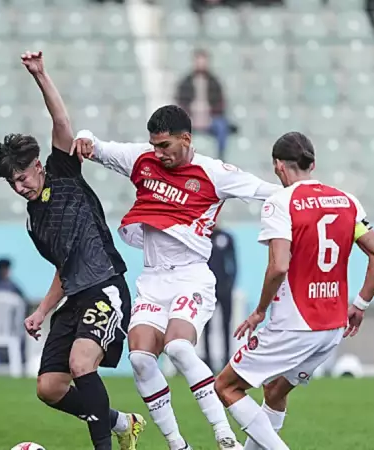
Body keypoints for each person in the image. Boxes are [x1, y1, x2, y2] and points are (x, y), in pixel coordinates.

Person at [71, 105, 281, 450]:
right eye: (154, 145)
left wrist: (311, 197)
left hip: (192, 276)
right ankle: (177, 443)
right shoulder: (141, 159)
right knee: (139, 358)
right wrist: (84, 137)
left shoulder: (215, 173)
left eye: (165, 146)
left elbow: (264, 190)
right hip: (152, 280)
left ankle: (223, 433)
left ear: (186, 139)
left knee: (180, 347)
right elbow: (97, 145)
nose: (158, 153)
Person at [0, 50, 145, 450]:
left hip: (106, 287)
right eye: (12, 182)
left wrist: (41, 76)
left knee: (82, 365)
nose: (19, 186)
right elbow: (64, 268)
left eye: (23, 176)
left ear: (38, 167)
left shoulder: (62, 172)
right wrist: (42, 311)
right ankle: (120, 423)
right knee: (49, 387)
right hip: (75, 296)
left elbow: (61, 122)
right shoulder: (34, 221)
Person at [213, 132, 374, 450]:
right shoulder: (347, 201)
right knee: (275, 392)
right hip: (332, 328)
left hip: (293, 325)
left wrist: (259, 311)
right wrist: (360, 304)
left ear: (278, 166)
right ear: (312, 163)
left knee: (226, 386)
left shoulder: (280, 203)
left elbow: (279, 266)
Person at [175, 49, 231, 161]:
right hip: (190, 117)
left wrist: (209, 113)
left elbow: (221, 103)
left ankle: (221, 159)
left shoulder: (214, 82)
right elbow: (180, 103)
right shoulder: (185, 81)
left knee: (222, 127)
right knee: (177, 129)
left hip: (211, 117)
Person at [203, 225, 238, 371]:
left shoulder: (226, 237)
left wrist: (230, 283)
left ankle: (227, 359)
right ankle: (208, 361)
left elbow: (233, 262)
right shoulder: (202, 237)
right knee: (206, 326)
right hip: (207, 290)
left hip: (224, 288)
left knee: (226, 324)